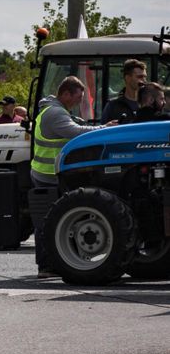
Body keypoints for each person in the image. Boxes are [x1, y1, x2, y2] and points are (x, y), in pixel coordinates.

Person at [31, 76, 116, 277]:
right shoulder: (55, 113)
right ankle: (47, 266)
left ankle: (56, 261)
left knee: (54, 220)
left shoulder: (57, 111)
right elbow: (76, 131)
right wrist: (105, 129)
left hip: (48, 173)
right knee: (48, 222)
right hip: (48, 175)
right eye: (78, 97)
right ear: (66, 94)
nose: (79, 102)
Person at [101, 59, 147, 124]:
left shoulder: (148, 104)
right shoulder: (113, 106)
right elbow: (103, 131)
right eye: (140, 77)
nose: (144, 80)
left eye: (145, 77)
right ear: (127, 78)